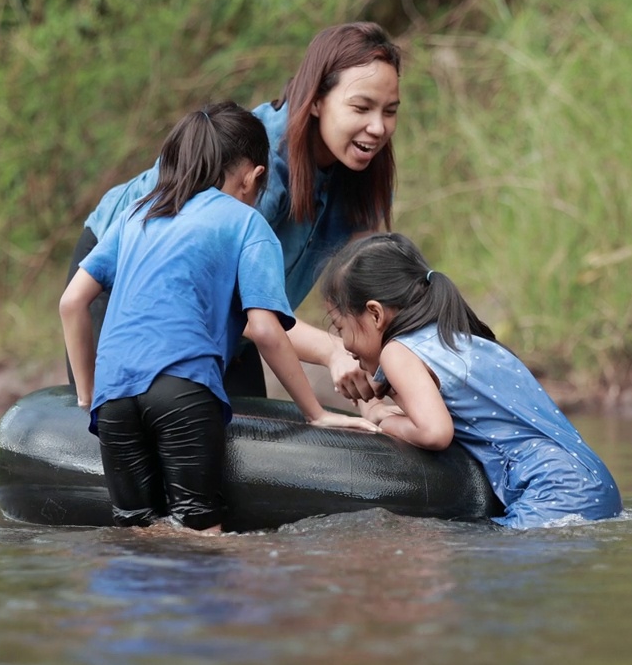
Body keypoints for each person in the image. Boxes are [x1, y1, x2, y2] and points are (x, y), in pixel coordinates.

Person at [61, 102, 379, 534]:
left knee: (136, 531)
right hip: (182, 389)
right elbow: (265, 329)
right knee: (203, 532)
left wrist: (87, 392)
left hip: (114, 398)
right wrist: (314, 413)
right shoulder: (246, 223)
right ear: (255, 176)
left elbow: (72, 303)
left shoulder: (140, 213)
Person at [67, 21, 402, 402]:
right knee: (131, 424)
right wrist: (331, 350)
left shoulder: (366, 178)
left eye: (389, 111)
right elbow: (230, 299)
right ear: (317, 99)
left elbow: (360, 296)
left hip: (232, 314)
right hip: (124, 284)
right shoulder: (254, 172)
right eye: (361, 107)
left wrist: (376, 385)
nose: (377, 127)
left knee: (247, 440)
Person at [319, 233, 624, 529]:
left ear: (374, 314)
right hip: (591, 481)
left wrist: (379, 417)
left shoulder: (398, 352)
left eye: (340, 326)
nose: (344, 344)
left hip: (553, 490)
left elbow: (435, 432)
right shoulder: (461, 339)